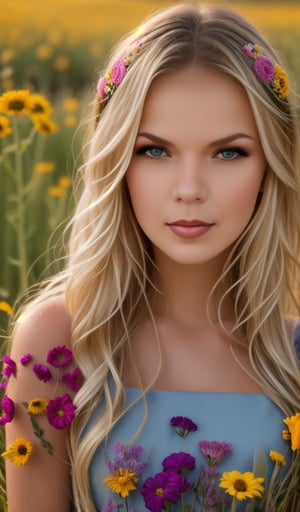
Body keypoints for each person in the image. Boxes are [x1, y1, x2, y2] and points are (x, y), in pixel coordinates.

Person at [2, 2, 300, 511]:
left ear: (271, 165)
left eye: (228, 152)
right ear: (117, 161)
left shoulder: (293, 356)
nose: (189, 190)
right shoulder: (57, 344)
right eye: (154, 151)